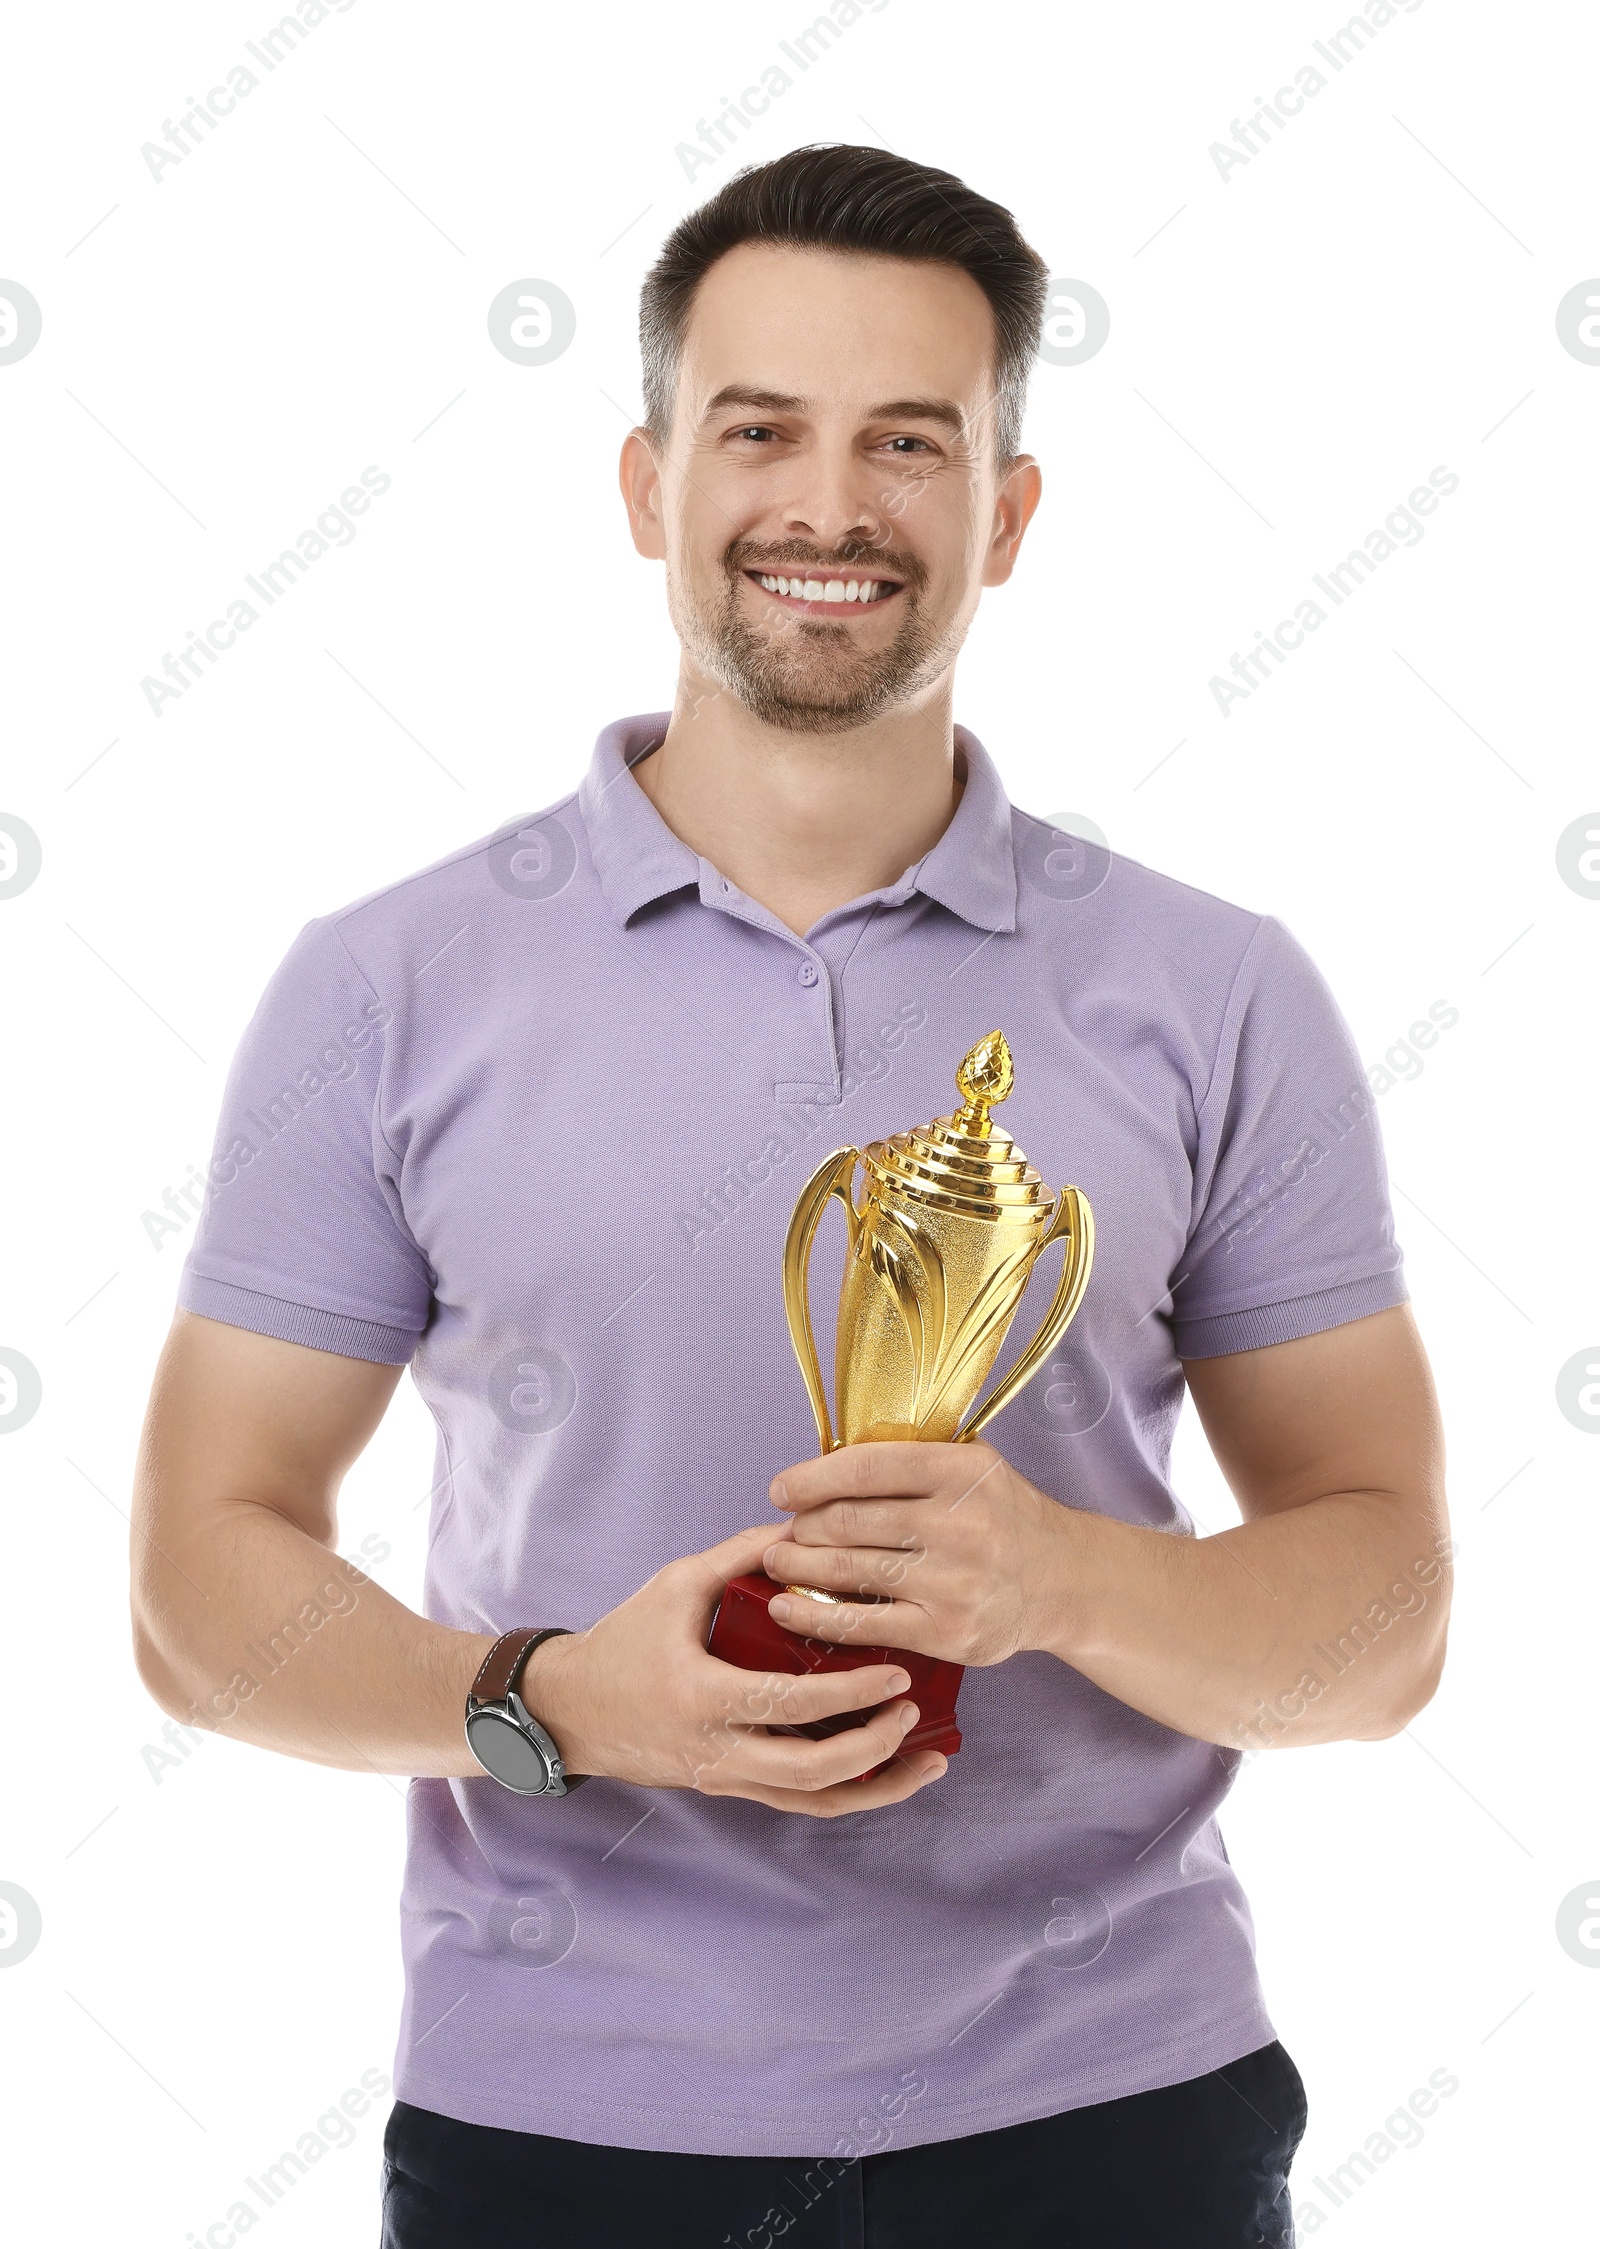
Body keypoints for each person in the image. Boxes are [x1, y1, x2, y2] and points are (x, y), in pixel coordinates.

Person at [130, 144, 1451, 2247]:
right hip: (559, 2141)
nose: (827, 510)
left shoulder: (1214, 989)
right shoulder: (384, 984)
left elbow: (1382, 1623)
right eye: (760, 431)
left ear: (1003, 515)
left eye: (905, 446)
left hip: (1114, 2128)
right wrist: (553, 1702)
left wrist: (1059, 1585)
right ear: (648, 485)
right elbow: (199, 1592)